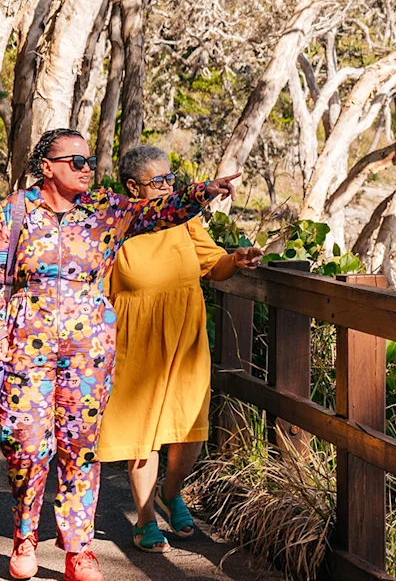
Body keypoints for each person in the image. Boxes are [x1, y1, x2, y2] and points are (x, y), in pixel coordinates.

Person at [0, 129, 240, 581]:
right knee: (25, 448)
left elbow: (161, 211)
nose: (86, 168)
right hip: (26, 348)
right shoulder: (17, 210)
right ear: (47, 167)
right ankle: (24, 536)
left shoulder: (105, 208)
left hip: (88, 351)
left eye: (89, 160)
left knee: (80, 451)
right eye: (75, 161)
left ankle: (79, 552)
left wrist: (203, 192)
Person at [97, 145, 262, 553]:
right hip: (136, 338)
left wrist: (237, 259)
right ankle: (145, 518)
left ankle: (171, 494)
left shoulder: (183, 219)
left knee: (189, 428)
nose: (168, 187)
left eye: (171, 179)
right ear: (133, 186)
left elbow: (213, 265)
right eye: (158, 181)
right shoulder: (117, 223)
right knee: (143, 434)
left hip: (185, 335)